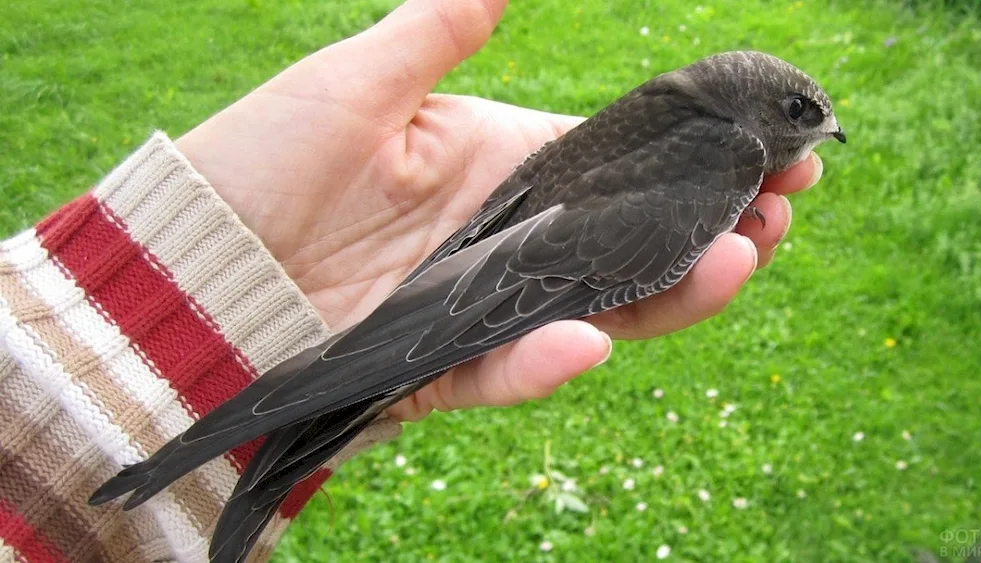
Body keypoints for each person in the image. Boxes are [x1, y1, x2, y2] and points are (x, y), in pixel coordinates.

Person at [0, 0, 824, 560]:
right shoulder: (726, 145)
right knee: (414, 344)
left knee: (402, 348)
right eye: (805, 118)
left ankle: (212, 457)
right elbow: (559, 240)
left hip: (526, 228)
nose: (821, 138)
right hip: (534, 246)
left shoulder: (689, 116)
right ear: (762, 105)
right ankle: (216, 455)